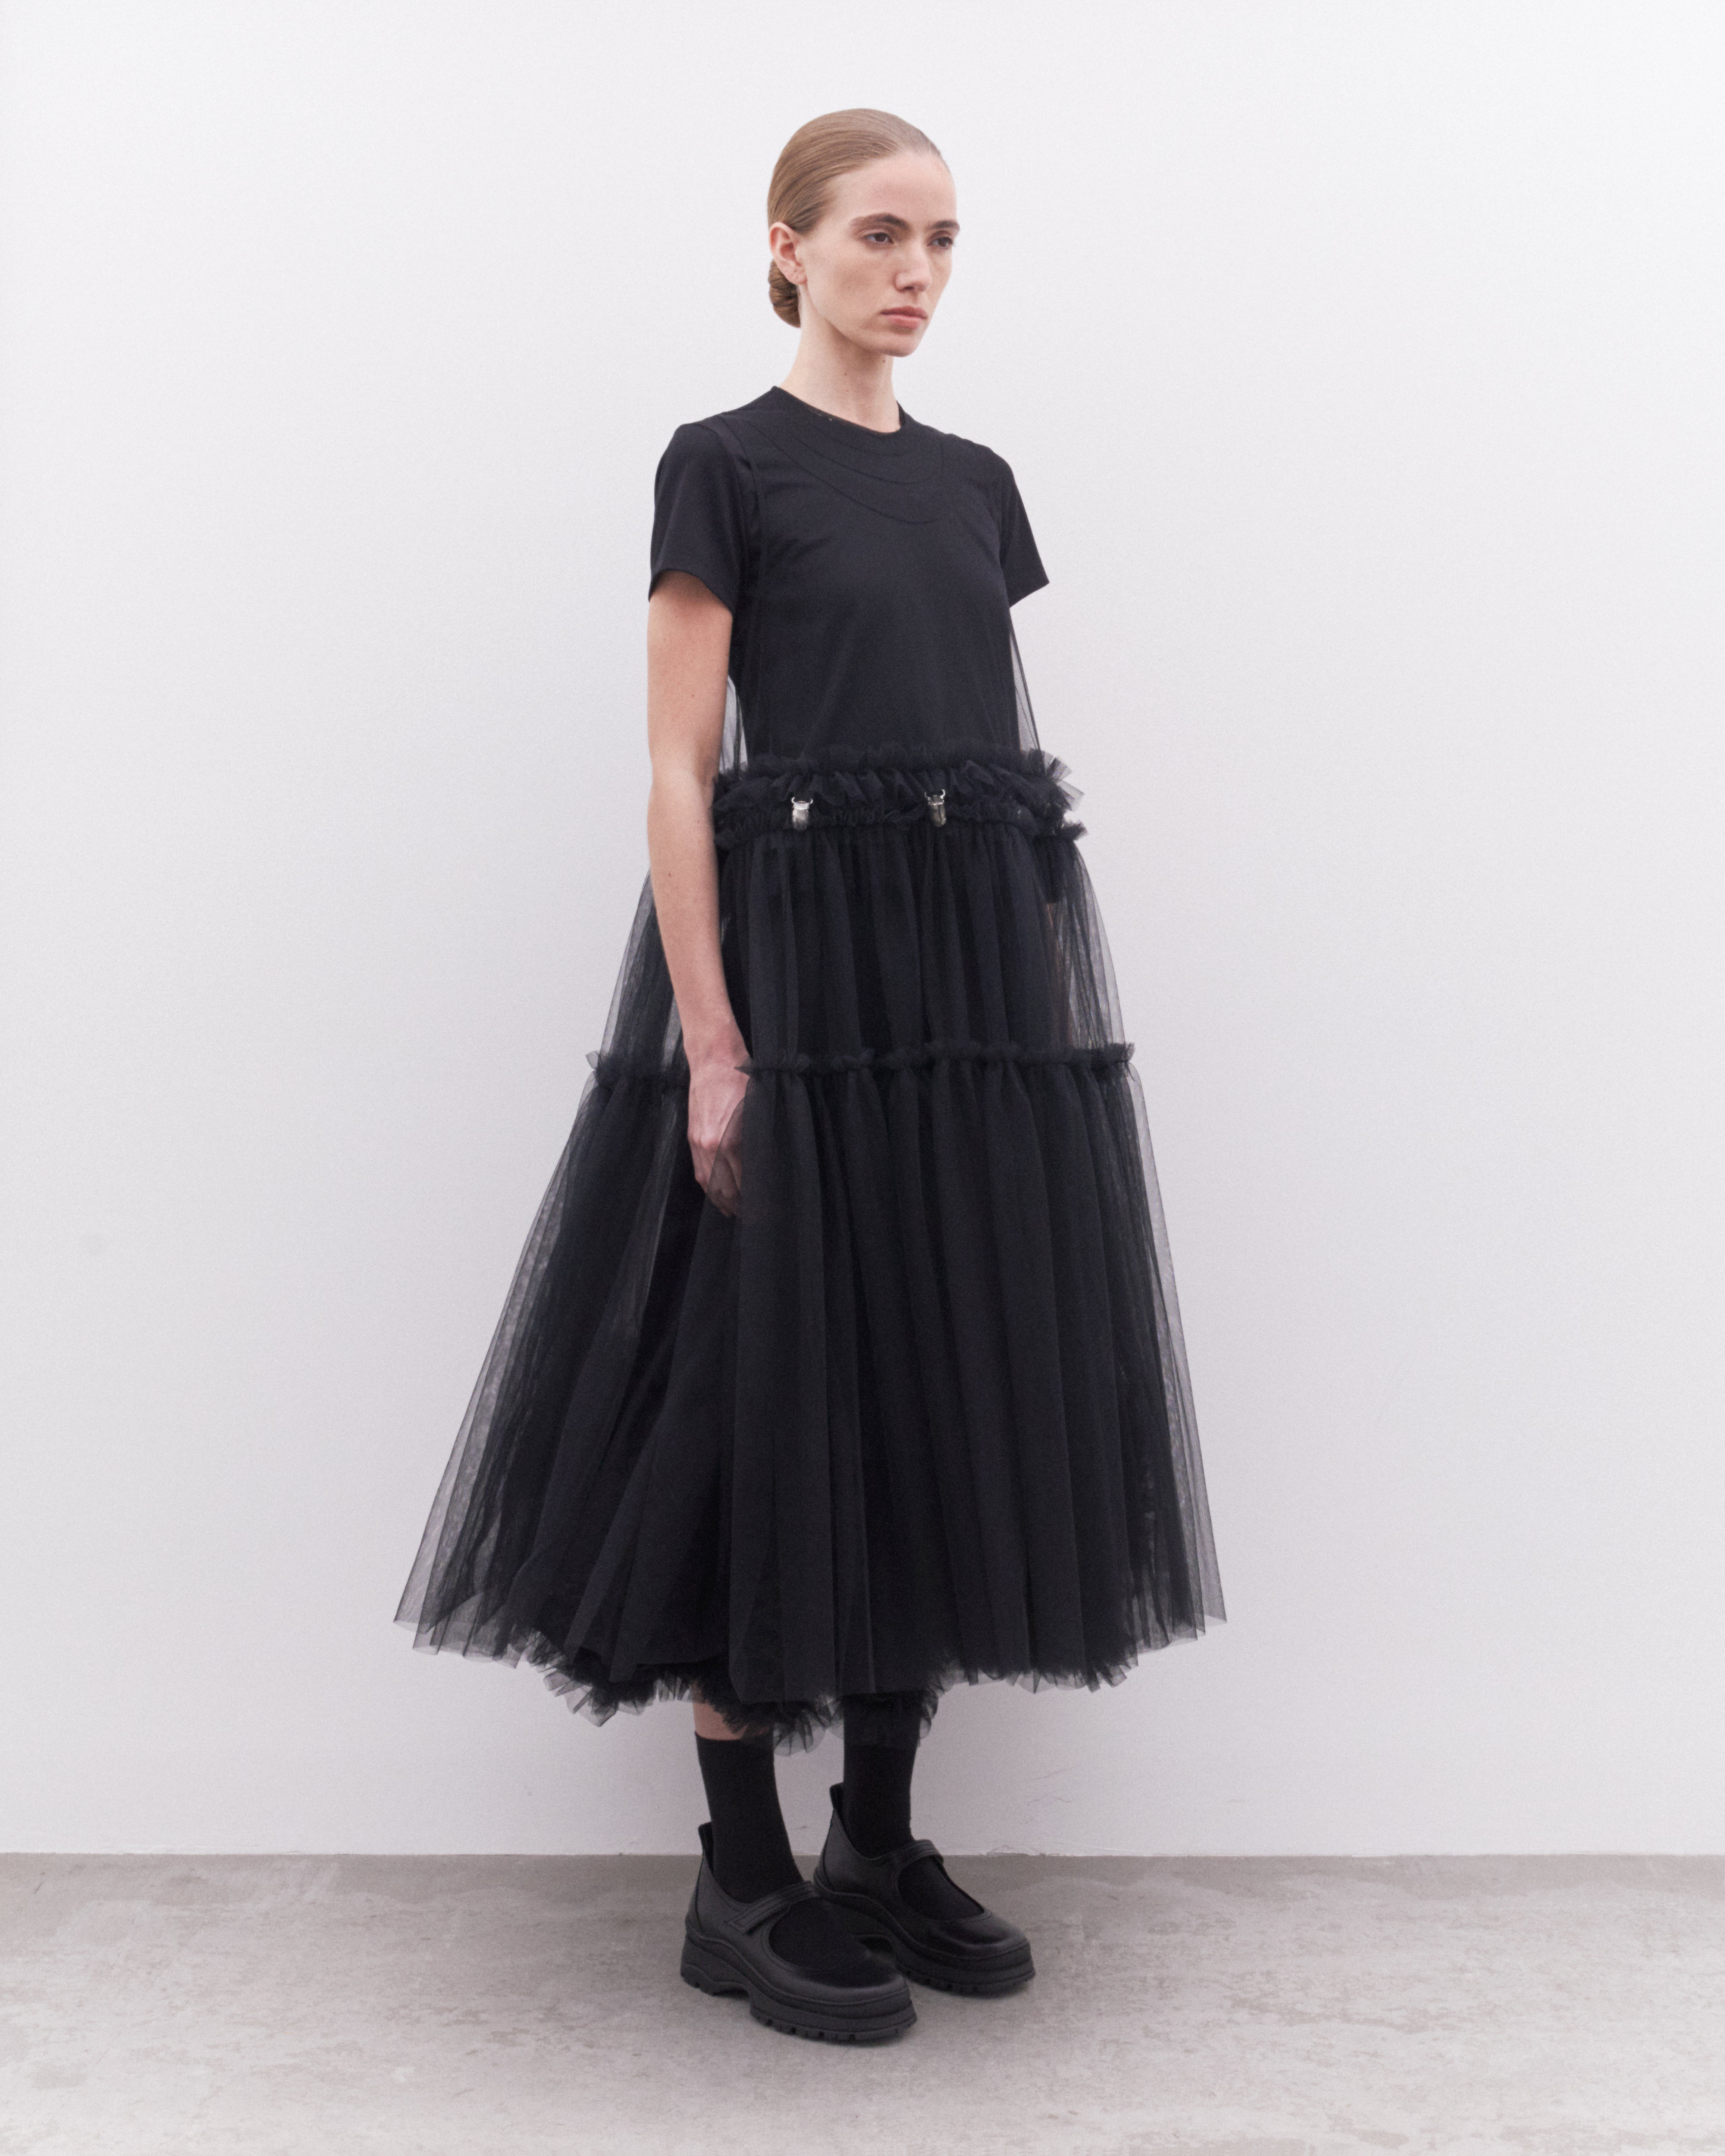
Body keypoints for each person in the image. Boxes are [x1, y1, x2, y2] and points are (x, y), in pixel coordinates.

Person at [395, 107, 1224, 2043]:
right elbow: (679, 770)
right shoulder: (725, 464)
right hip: (794, 974)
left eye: (942, 239)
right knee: (758, 1385)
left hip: (962, 993)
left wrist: (1025, 1020)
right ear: (787, 247)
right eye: (877, 235)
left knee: (937, 1375)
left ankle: (876, 1838)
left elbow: (991, 750)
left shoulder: (977, 485)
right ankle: (742, 1873)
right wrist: (713, 1038)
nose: (915, 272)